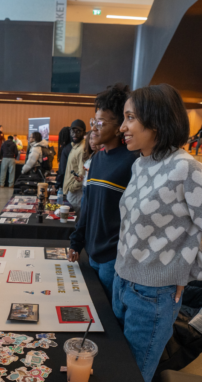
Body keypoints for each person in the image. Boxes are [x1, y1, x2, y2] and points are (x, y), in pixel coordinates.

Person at [115, 83, 202, 382]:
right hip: (122, 283)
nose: (123, 127)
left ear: (156, 120)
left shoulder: (186, 168)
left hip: (152, 295)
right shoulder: (140, 165)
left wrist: (189, 271)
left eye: (131, 117)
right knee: (118, 372)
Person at [69, 83, 135, 299]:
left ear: (119, 128)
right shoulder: (96, 159)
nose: (94, 128)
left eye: (100, 123)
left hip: (113, 258)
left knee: (108, 316)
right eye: (93, 122)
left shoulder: (133, 161)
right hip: (91, 252)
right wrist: (77, 241)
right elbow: (87, 204)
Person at [62, 120, 87, 211]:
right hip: (72, 191)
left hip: (76, 192)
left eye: (78, 131)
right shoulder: (75, 146)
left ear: (84, 132)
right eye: (73, 131)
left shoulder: (82, 148)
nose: (75, 134)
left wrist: (72, 188)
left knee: (73, 220)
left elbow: (82, 174)